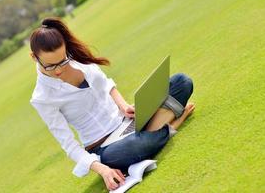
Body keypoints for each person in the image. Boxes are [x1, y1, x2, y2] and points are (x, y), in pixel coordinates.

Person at [29, 17, 195, 191]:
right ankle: (170, 124)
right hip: (105, 147)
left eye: (62, 60)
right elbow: (69, 145)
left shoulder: (77, 58)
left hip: (127, 123)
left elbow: (106, 84)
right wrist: (103, 170)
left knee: (182, 82)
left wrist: (124, 107)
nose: (59, 69)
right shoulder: (42, 98)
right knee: (132, 147)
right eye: (50, 65)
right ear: (34, 57)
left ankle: (154, 130)